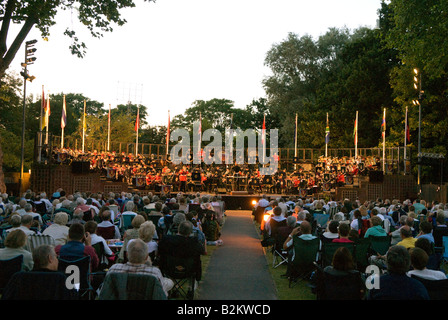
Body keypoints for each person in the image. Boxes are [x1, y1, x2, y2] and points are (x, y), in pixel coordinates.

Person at [1, 244, 76, 300]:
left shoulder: (18, 277)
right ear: (50, 258)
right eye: (56, 257)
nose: (58, 261)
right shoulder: (60, 279)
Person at [106, 238, 174, 297]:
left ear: (127, 254)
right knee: (169, 283)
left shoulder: (114, 269)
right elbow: (162, 295)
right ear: (147, 257)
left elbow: (104, 293)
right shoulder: (154, 272)